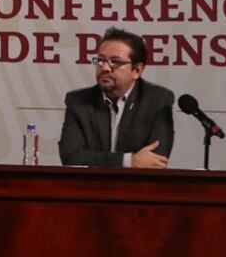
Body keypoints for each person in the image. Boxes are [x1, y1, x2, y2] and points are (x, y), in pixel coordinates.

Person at [58, 27, 173, 168]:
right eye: (101, 60)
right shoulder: (78, 102)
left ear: (136, 70)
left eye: (115, 62)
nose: (105, 68)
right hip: (89, 188)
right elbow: (72, 157)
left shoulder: (158, 101)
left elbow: (155, 161)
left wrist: (97, 161)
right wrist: (129, 161)